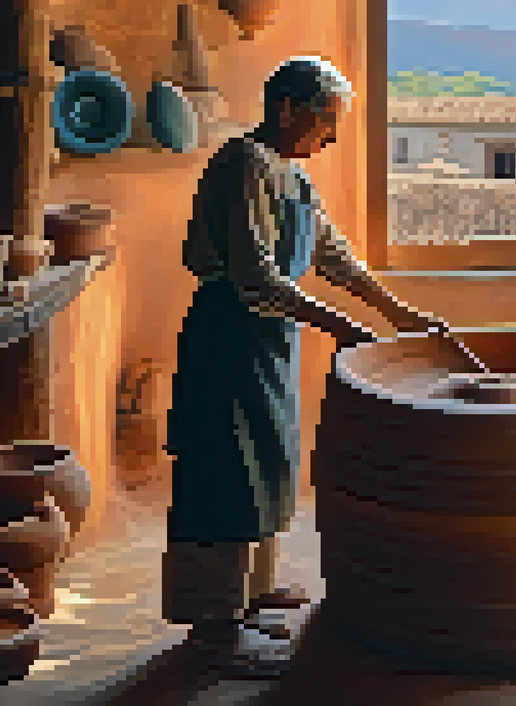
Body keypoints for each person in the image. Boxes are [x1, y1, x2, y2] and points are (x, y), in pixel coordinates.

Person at [163, 57, 444, 677]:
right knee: (227, 472)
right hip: (229, 336)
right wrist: (345, 329)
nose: (333, 136)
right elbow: (256, 277)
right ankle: (214, 628)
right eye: (325, 120)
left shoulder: (293, 176)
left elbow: (332, 256)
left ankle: (251, 595)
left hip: (270, 340)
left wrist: (400, 314)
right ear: (287, 108)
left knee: (269, 463)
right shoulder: (241, 165)